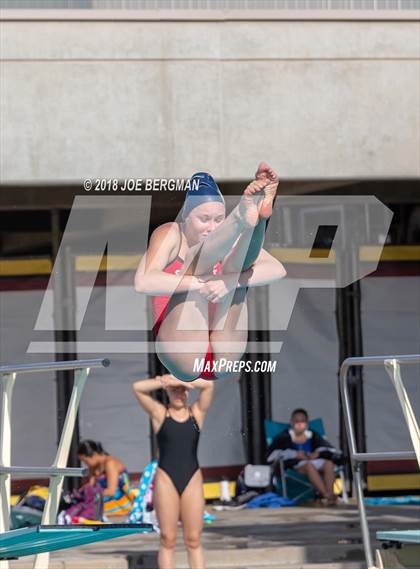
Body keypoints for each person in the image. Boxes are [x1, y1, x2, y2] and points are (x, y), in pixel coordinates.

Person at [134, 163, 287, 381]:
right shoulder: (172, 233)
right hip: (182, 349)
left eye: (218, 219)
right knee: (196, 261)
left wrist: (230, 281)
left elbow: (277, 270)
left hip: (223, 352)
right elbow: (143, 282)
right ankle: (241, 218)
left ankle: (260, 218)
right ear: (186, 216)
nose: (212, 227)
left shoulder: (226, 241)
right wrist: (199, 283)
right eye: (204, 219)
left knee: (237, 268)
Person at [132, 373, 214, 569]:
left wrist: (183, 380)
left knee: (193, 539)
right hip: (166, 479)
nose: (179, 393)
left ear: (187, 391)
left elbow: (209, 385)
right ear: (167, 391)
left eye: (182, 390)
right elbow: (137, 387)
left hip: (192, 478)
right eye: (174, 390)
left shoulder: (197, 414)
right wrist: (163, 381)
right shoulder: (160, 415)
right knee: (167, 539)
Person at [266, 409, 343, 506]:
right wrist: (295, 454)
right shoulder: (284, 437)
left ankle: (330, 494)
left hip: (314, 461)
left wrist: (317, 454)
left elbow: (330, 449)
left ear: (306, 423)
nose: (299, 424)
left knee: (329, 463)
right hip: (295, 465)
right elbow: (272, 455)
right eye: (296, 421)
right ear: (291, 422)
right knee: (309, 465)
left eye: (302, 421)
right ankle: (326, 495)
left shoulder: (313, 435)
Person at [77, 439, 135, 517]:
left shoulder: (110, 463)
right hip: (103, 499)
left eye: (86, 461)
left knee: (88, 512)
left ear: (94, 454)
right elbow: (91, 486)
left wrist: (91, 495)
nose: (85, 464)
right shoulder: (93, 466)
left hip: (120, 501)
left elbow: (112, 491)